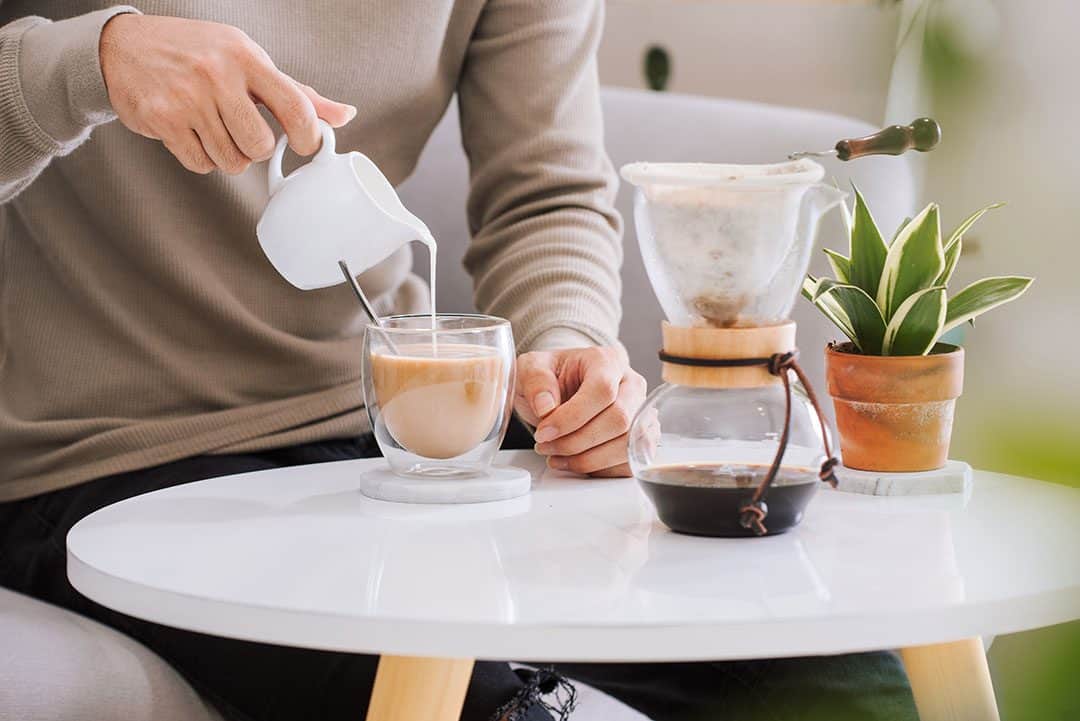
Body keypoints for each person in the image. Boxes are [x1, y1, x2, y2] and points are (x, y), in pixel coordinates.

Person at [0, 3, 916, 720]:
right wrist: (91, 63)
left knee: (837, 668)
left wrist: (565, 342)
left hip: (403, 440)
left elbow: (545, 189)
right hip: (111, 460)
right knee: (483, 700)